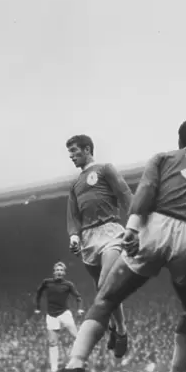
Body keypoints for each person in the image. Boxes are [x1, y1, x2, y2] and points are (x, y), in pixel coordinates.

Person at [39, 118, 186, 372]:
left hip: (154, 228)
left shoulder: (163, 158)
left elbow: (144, 192)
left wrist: (132, 228)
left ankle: (75, 364)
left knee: (106, 297)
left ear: (179, 140)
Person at [66, 134, 133, 358]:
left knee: (106, 283)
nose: (71, 156)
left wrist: (136, 224)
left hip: (111, 232)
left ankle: (121, 332)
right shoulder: (75, 185)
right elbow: (73, 215)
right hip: (88, 240)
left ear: (87, 149)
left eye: (74, 151)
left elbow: (125, 195)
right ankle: (113, 328)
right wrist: (74, 236)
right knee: (102, 291)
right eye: (69, 152)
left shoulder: (105, 170)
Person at [35, 262, 84, 372]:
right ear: (54, 271)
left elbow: (78, 297)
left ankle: (79, 363)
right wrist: (37, 307)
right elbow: (39, 292)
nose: (59, 272)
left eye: (61, 270)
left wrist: (80, 308)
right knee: (52, 343)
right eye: (57, 270)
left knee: (77, 338)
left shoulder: (68, 284)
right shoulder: (47, 282)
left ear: (64, 273)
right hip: (52, 315)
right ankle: (54, 370)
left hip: (64, 314)